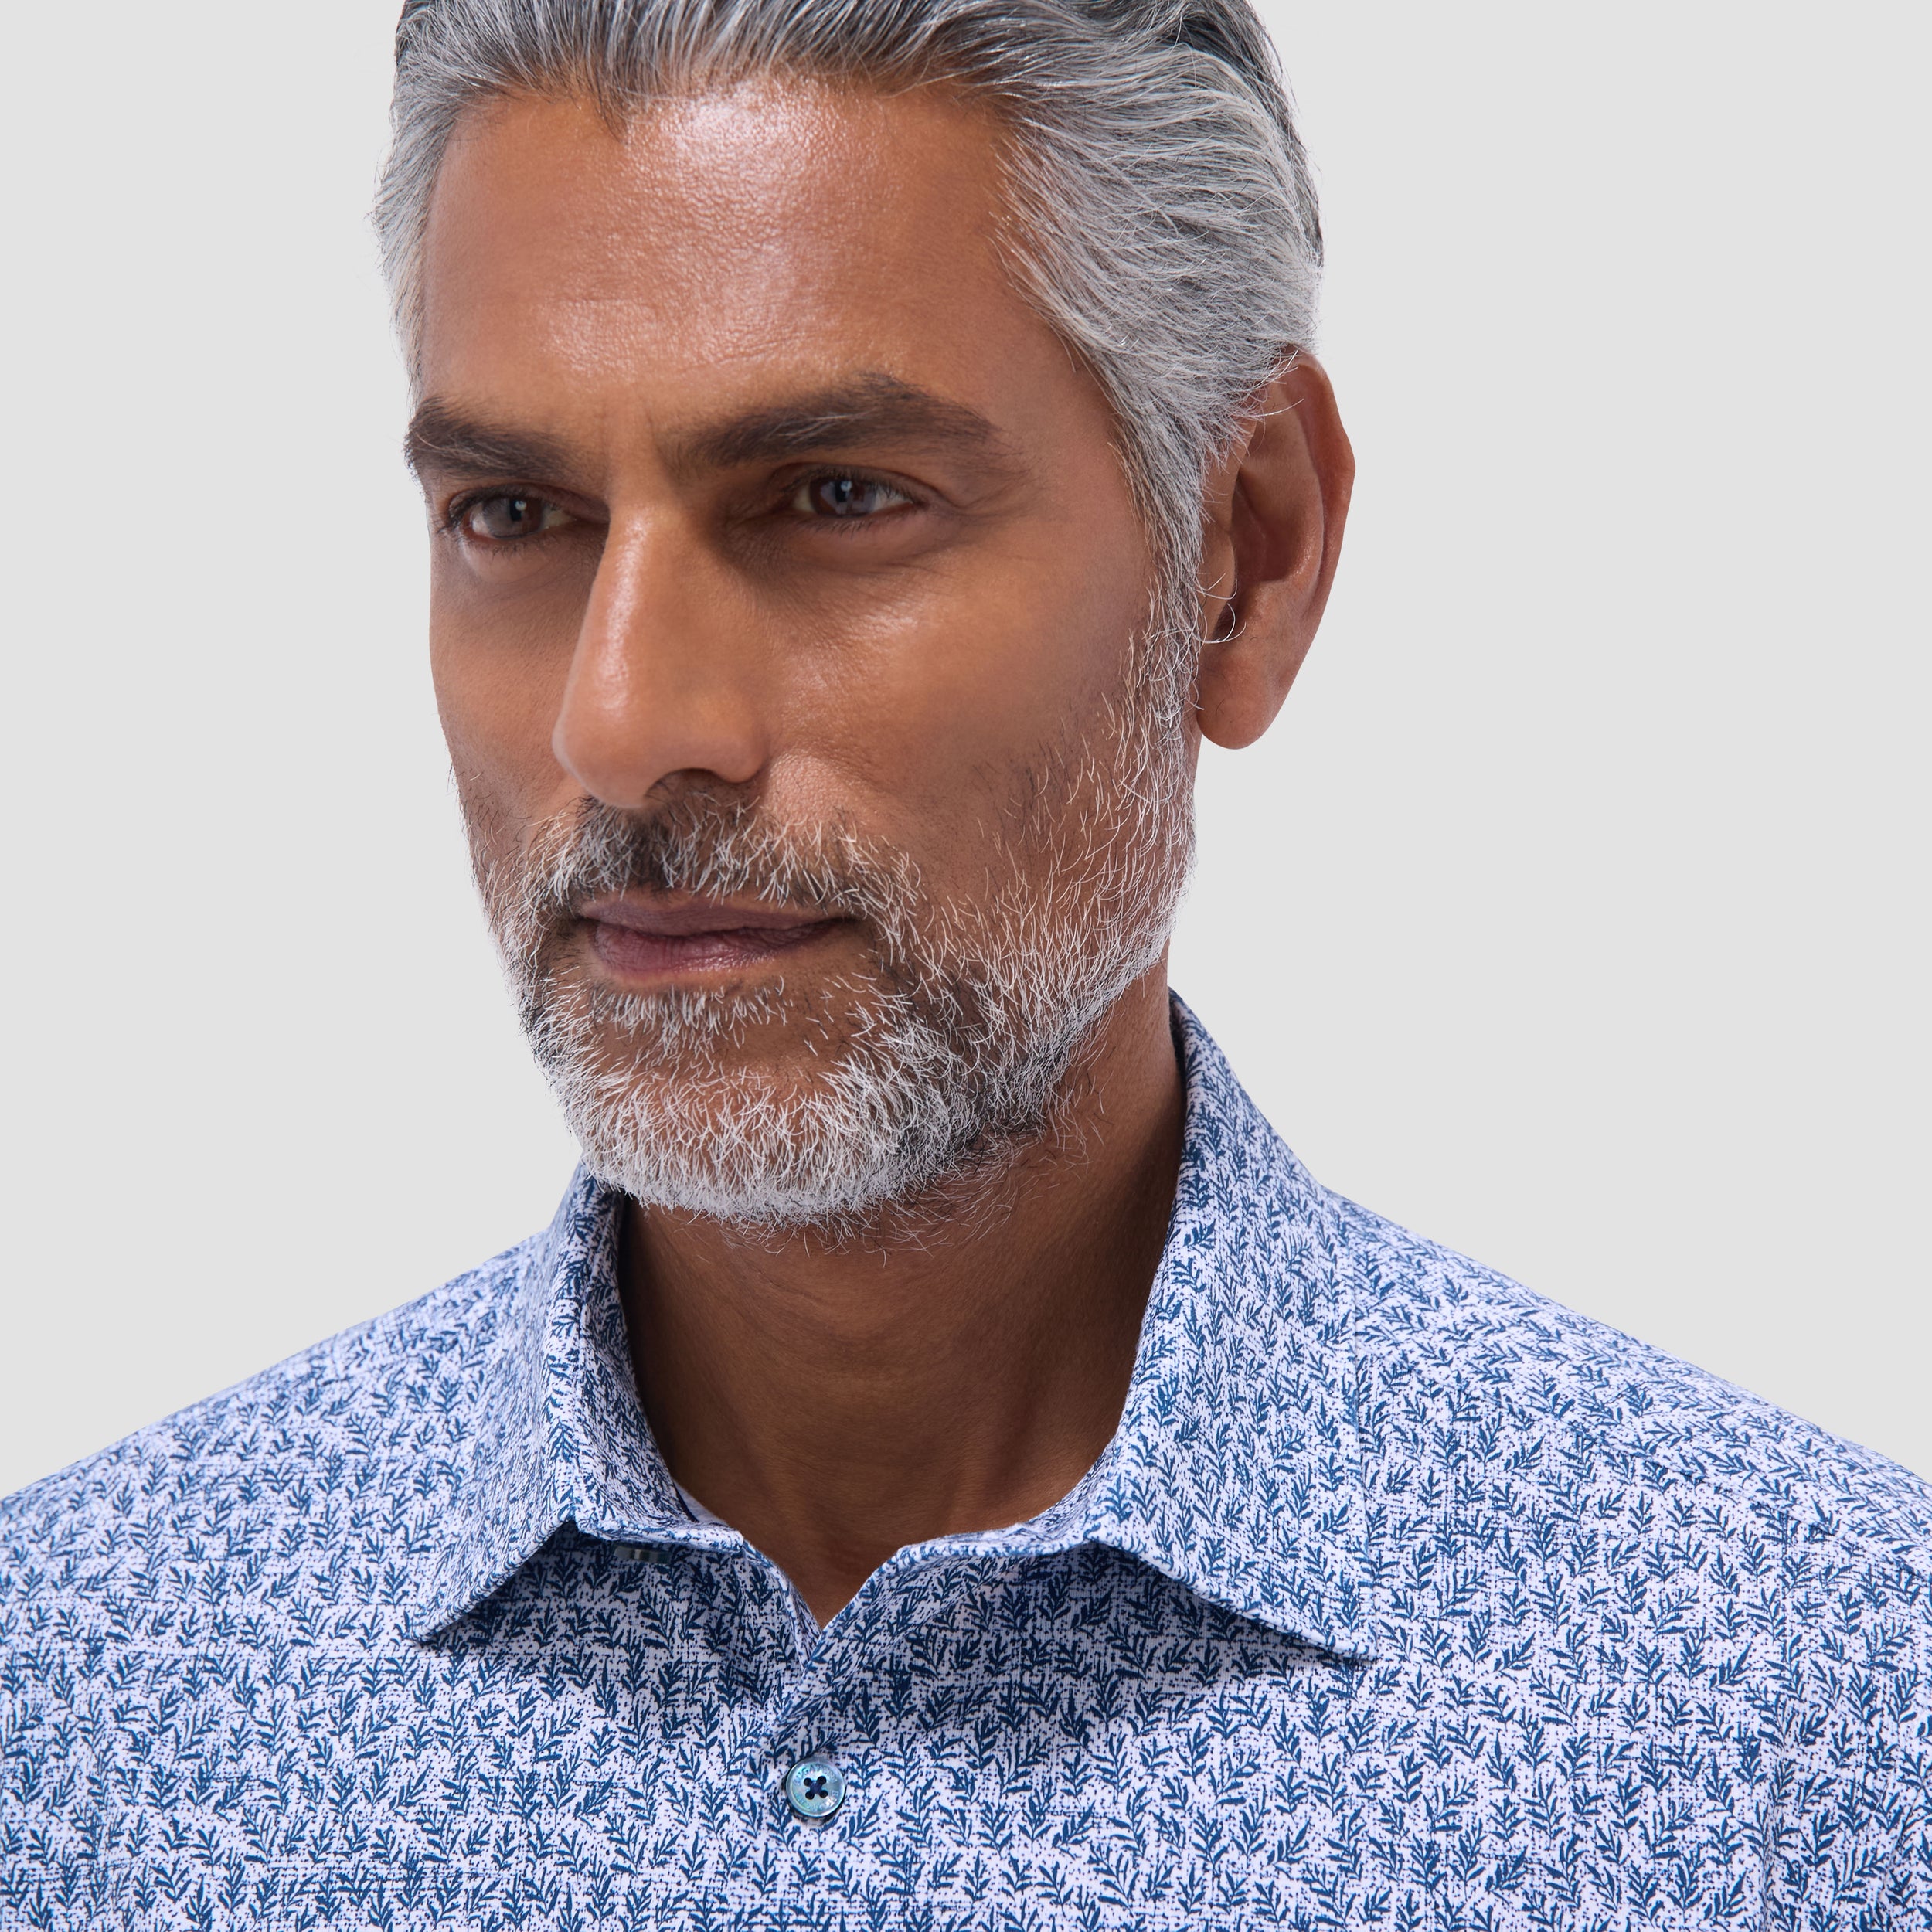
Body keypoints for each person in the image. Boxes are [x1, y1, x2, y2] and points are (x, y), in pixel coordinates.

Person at [3, 1, 1927, 1924]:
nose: (623, 723)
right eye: (514, 514)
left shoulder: (1798, 1719)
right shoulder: (82, 1703)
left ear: (1242, 553)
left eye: (836, 497)